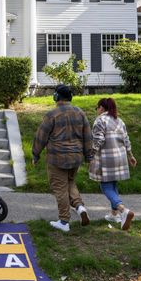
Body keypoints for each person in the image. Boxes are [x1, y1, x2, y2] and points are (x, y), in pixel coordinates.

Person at [32, 84, 93, 232]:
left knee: (60, 188)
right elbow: (88, 136)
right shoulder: (80, 113)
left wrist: (35, 154)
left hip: (57, 159)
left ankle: (64, 221)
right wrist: (89, 156)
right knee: (70, 183)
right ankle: (79, 207)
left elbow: (41, 137)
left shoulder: (52, 115)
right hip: (76, 158)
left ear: (57, 97)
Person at [88, 97, 137, 230]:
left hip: (106, 158)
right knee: (113, 185)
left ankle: (123, 211)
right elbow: (126, 140)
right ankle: (114, 214)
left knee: (106, 187)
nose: (97, 110)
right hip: (120, 158)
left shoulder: (100, 120)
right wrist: (131, 156)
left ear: (102, 108)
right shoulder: (119, 121)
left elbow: (98, 140)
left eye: (97, 107)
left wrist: (91, 155)